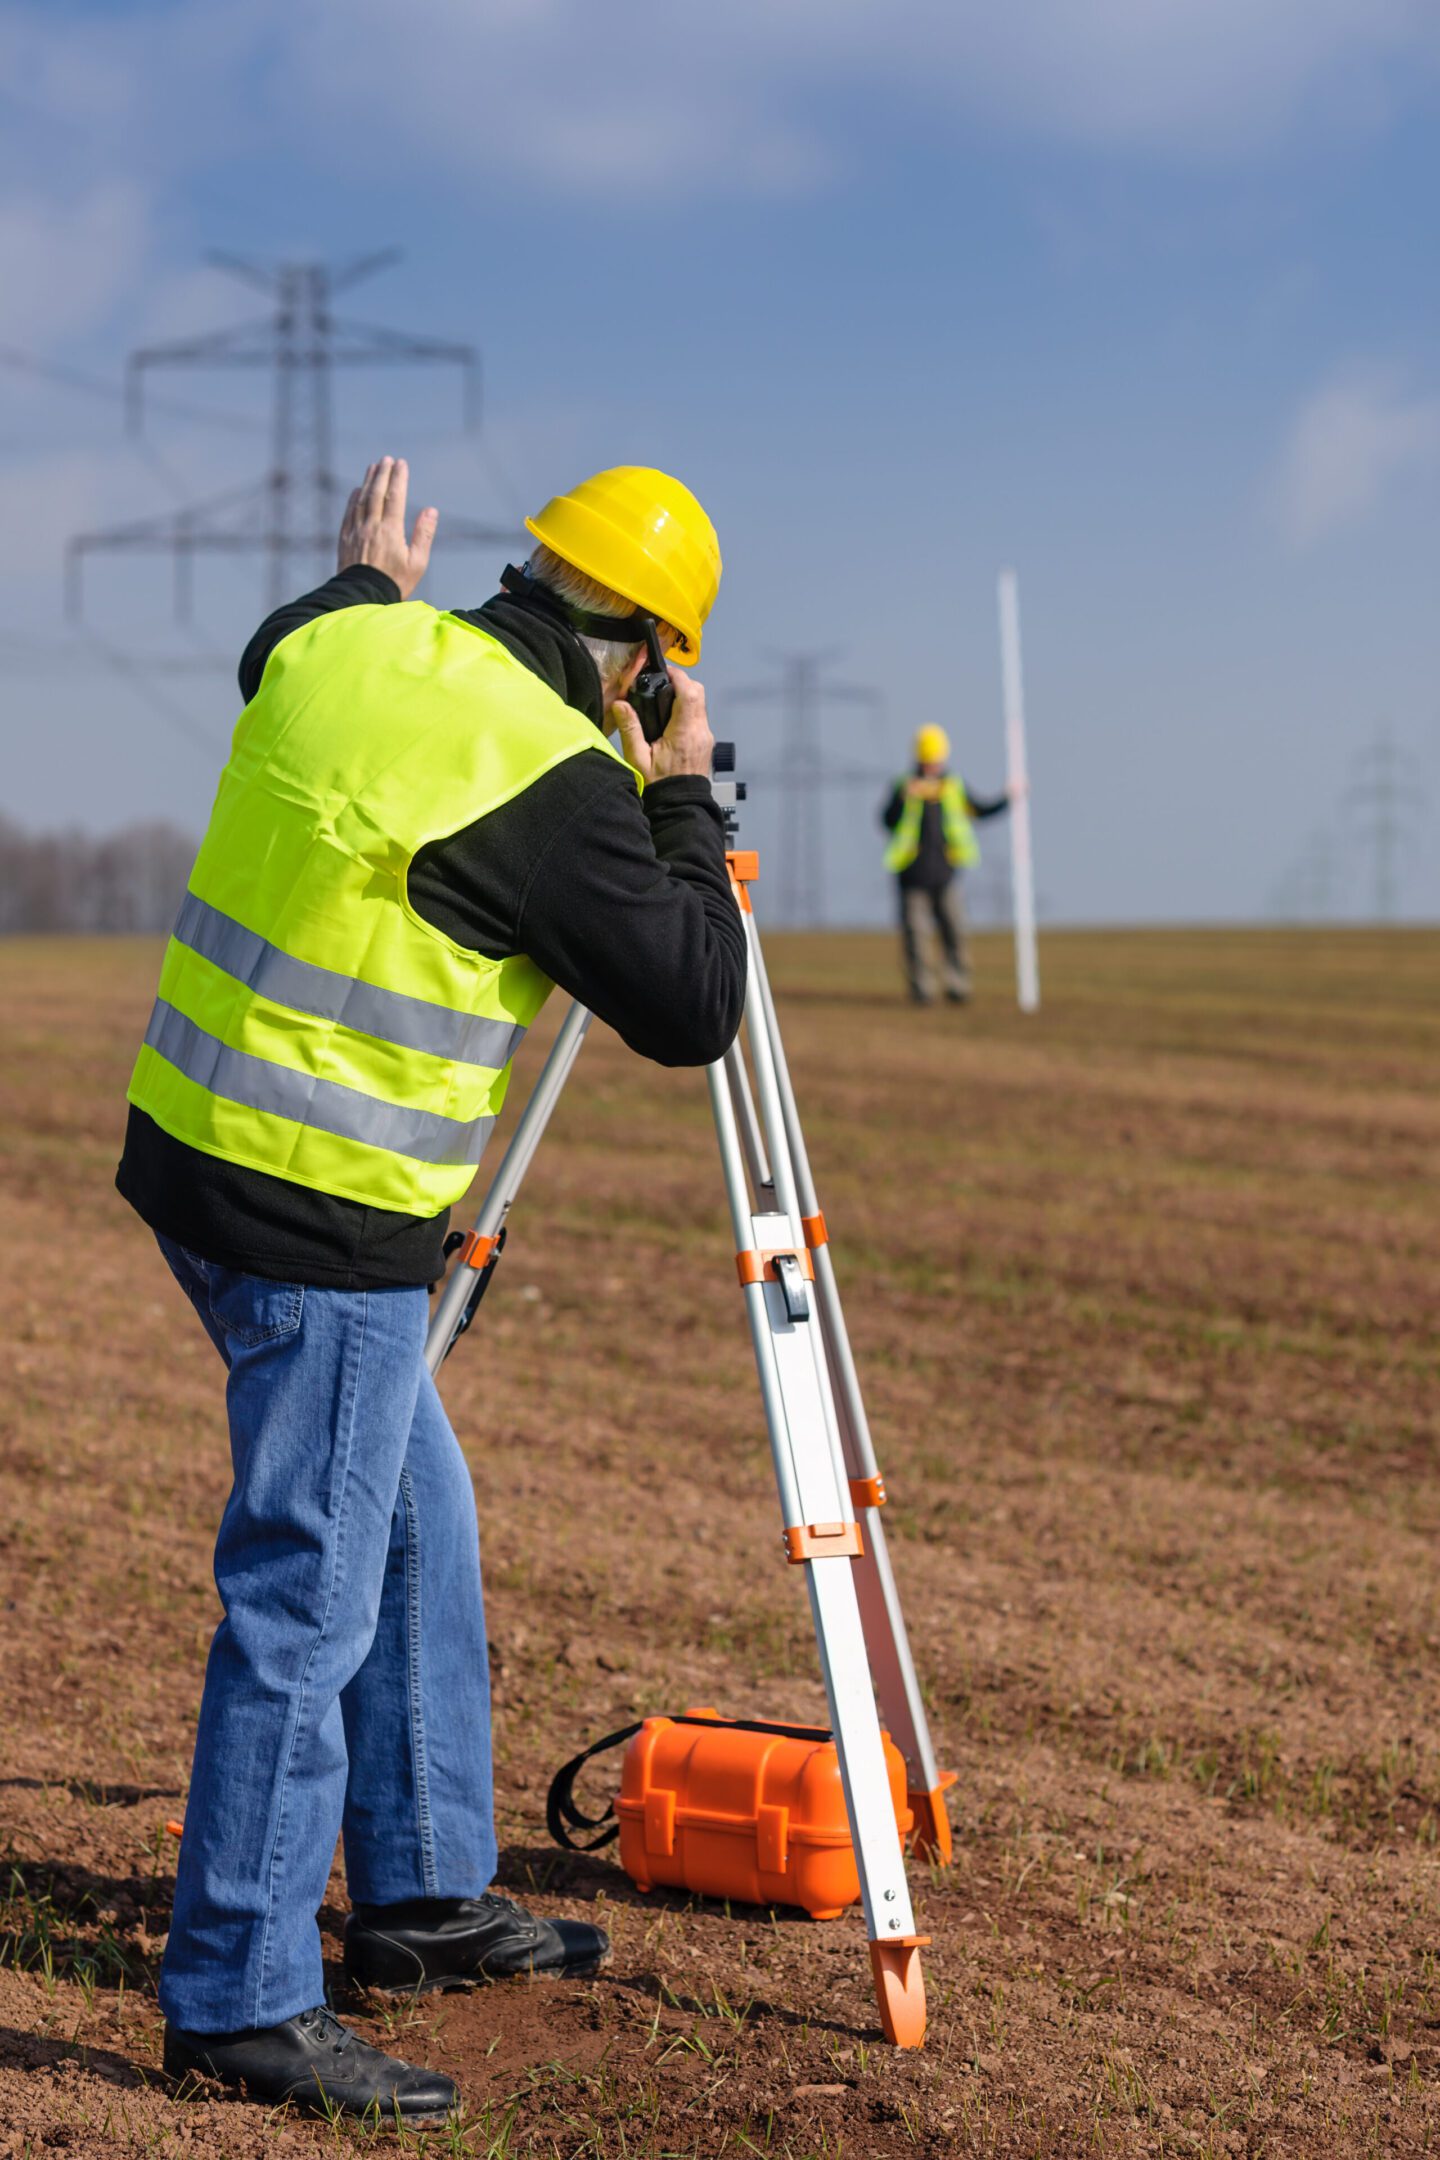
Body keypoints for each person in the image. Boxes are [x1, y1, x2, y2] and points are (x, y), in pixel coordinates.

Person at [114, 458, 746, 2123]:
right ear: (646, 658)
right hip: (316, 1222)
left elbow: (280, 644)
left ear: (533, 576)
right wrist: (684, 788)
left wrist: (361, 578)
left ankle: (418, 1898)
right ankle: (240, 1995)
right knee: (310, 1587)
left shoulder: (346, 643)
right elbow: (691, 999)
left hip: (196, 1155)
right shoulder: (553, 777)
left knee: (413, 1514)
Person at [880, 725, 1011, 1005]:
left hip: (946, 874)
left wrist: (1008, 798)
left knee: (955, 931)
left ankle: (958, 985)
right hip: (911, 874)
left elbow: (978, 810)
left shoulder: (953, 786)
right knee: (916, 936)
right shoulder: (903, 785)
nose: (932, 765)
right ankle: (922, 990)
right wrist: (905, 798)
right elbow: (886, 821)